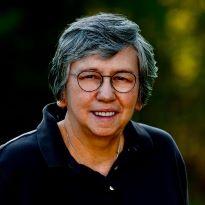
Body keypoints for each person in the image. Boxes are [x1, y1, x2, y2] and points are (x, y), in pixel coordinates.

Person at [0, 12, 189, 205]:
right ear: (62, 92)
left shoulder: (162, 153)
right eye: (90, 77)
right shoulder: (13, 164)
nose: (106, 95)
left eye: (122, 78)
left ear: (140, 95)